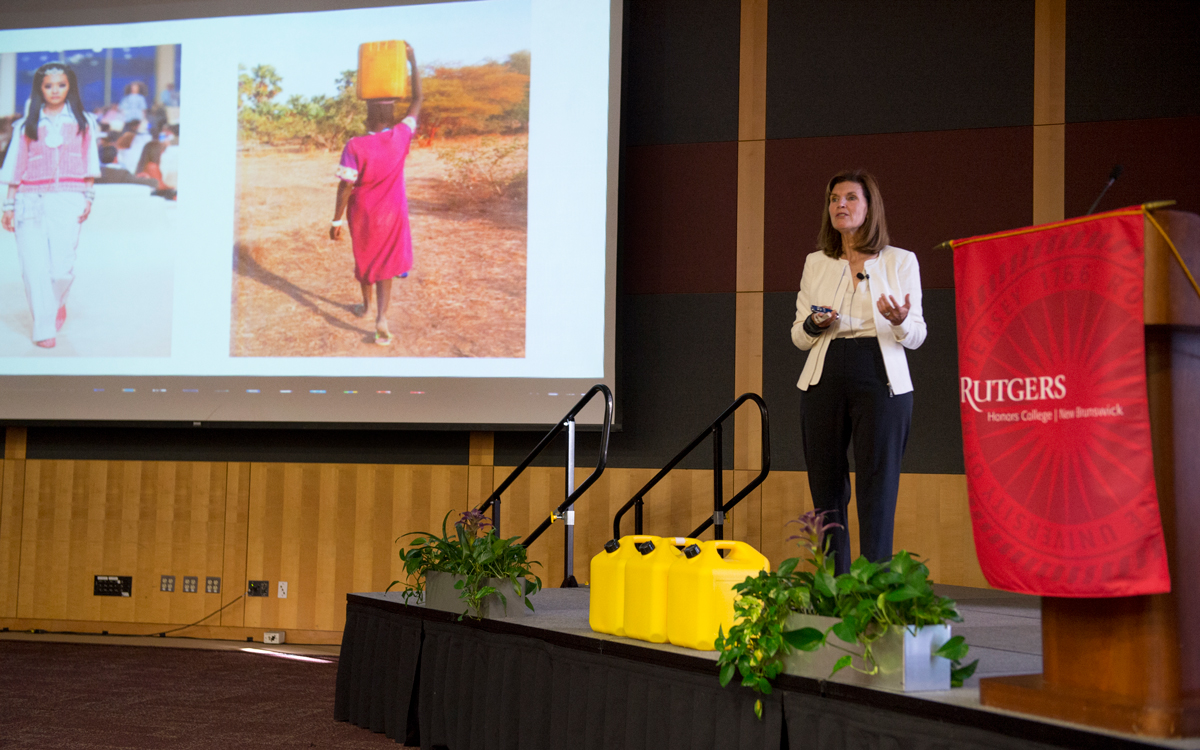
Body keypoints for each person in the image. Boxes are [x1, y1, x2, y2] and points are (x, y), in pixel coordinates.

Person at [791, 170, 926, 574]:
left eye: (850, 197)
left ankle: (874, 589)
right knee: (827, 488)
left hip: (880, 376)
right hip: (825, 375)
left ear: (869, 207)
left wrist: (900, 319)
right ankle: (835, 583)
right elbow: (799, 335)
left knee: (877, 488)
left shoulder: (901, 261)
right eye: (834, 199)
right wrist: (815, 324)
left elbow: (916, 335)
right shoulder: (816, 263)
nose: (840, 205)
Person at [0, 63, 101, 349]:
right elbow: (16, 164)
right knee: (33, 266)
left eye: (61, 85)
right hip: (28, 199)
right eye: (48, 85)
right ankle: (43, 327)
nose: (55, 90)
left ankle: (56, 302)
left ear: (70, 87)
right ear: (40, 88)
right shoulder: (26, 124)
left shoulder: (84, 121)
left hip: (68, 197)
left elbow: (89, 161)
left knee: (61, 269)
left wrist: (88, 196)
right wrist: (8, 204)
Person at [329, 42, 423, 346]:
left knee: (366, 260)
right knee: (387, 265)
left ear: (367, 116)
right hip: (393, 213)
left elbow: (345, 186)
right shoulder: (401, 135)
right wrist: (412, 60)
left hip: (364, 213)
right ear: (392, 115)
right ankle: (381, 317)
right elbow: (418, 99)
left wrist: (336, 221)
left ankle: (366, 306)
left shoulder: (355, 145)